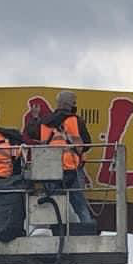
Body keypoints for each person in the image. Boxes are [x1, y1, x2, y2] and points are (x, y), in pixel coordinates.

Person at [38, 90, 95, 227]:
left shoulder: (45, 122)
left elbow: (31, 135)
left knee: (54, 203)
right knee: (79, 204)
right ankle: (87, 228)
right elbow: (87, 143)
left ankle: (54, 230)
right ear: (71, 104)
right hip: (71, 167)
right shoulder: (74, 120)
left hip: (50, 169)